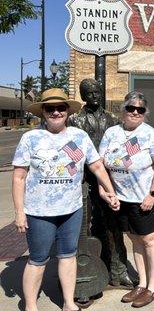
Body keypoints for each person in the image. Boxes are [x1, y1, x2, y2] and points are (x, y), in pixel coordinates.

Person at [12, 88, 119, 311]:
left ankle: (69, 302)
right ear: (43, 111)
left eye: (61, 108)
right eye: (50, 108)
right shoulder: (30, 138)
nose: (56, 112)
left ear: (67, 111)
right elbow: (19, 177)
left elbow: (97, 165)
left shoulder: (78, 137)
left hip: (71, 209)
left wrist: (110, 191)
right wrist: (20, 212)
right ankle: (31, 306)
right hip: (39, 212)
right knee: (37, 260)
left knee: (68, 256)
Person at [99, 91, 154, 308]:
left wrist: (152, 194)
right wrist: (106, 191)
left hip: (145, 197)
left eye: (140, 109)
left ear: (145, 113)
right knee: (134, 238)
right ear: (123, 110)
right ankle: (143, 282)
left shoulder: (151, 135)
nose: (135, 112)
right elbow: (100, 165)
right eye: (131, 108)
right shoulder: (112, 133)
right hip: (121, 198)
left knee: (150, 239)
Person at [68, 78, 134, 288]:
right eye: (89, 92)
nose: (94, 96)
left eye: (97, 92)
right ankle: (86, 271)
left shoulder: (113, 119)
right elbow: (70, 152)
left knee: (113, 226)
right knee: (83, 227)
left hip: (108, 180)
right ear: (82, 96)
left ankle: (118, 271)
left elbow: (123, 146)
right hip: (84, 181)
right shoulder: (74, 121)